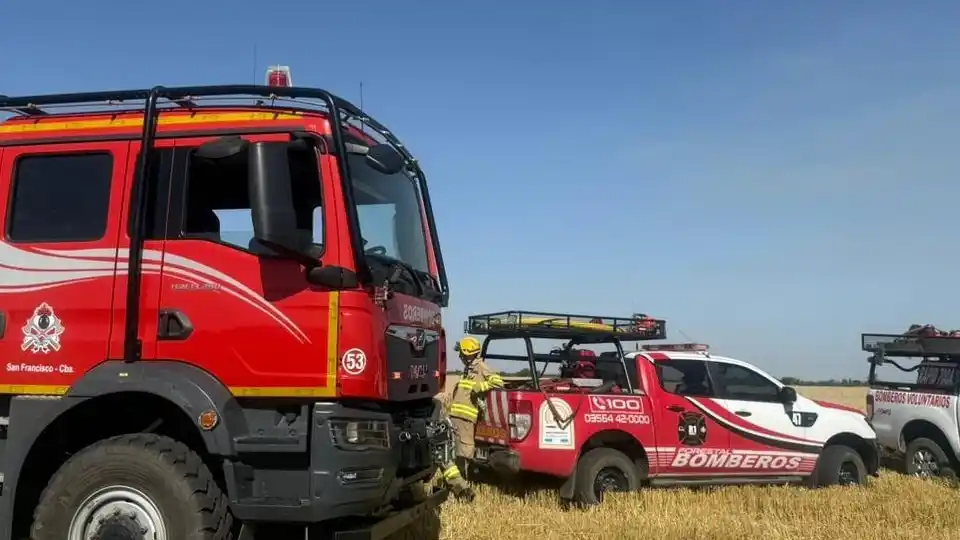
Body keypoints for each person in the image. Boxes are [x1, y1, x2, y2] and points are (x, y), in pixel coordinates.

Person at [441, 336, 505, 501]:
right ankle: (456, 486)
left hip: (466, 420)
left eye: (462, 353)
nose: (460, 356)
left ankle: (462, 488)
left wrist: (480, 386)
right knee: (451, 452)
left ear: (468, 353)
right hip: (456, 418)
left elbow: (498, 382)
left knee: (463, 454)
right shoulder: (468, 370)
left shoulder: (481, 367)